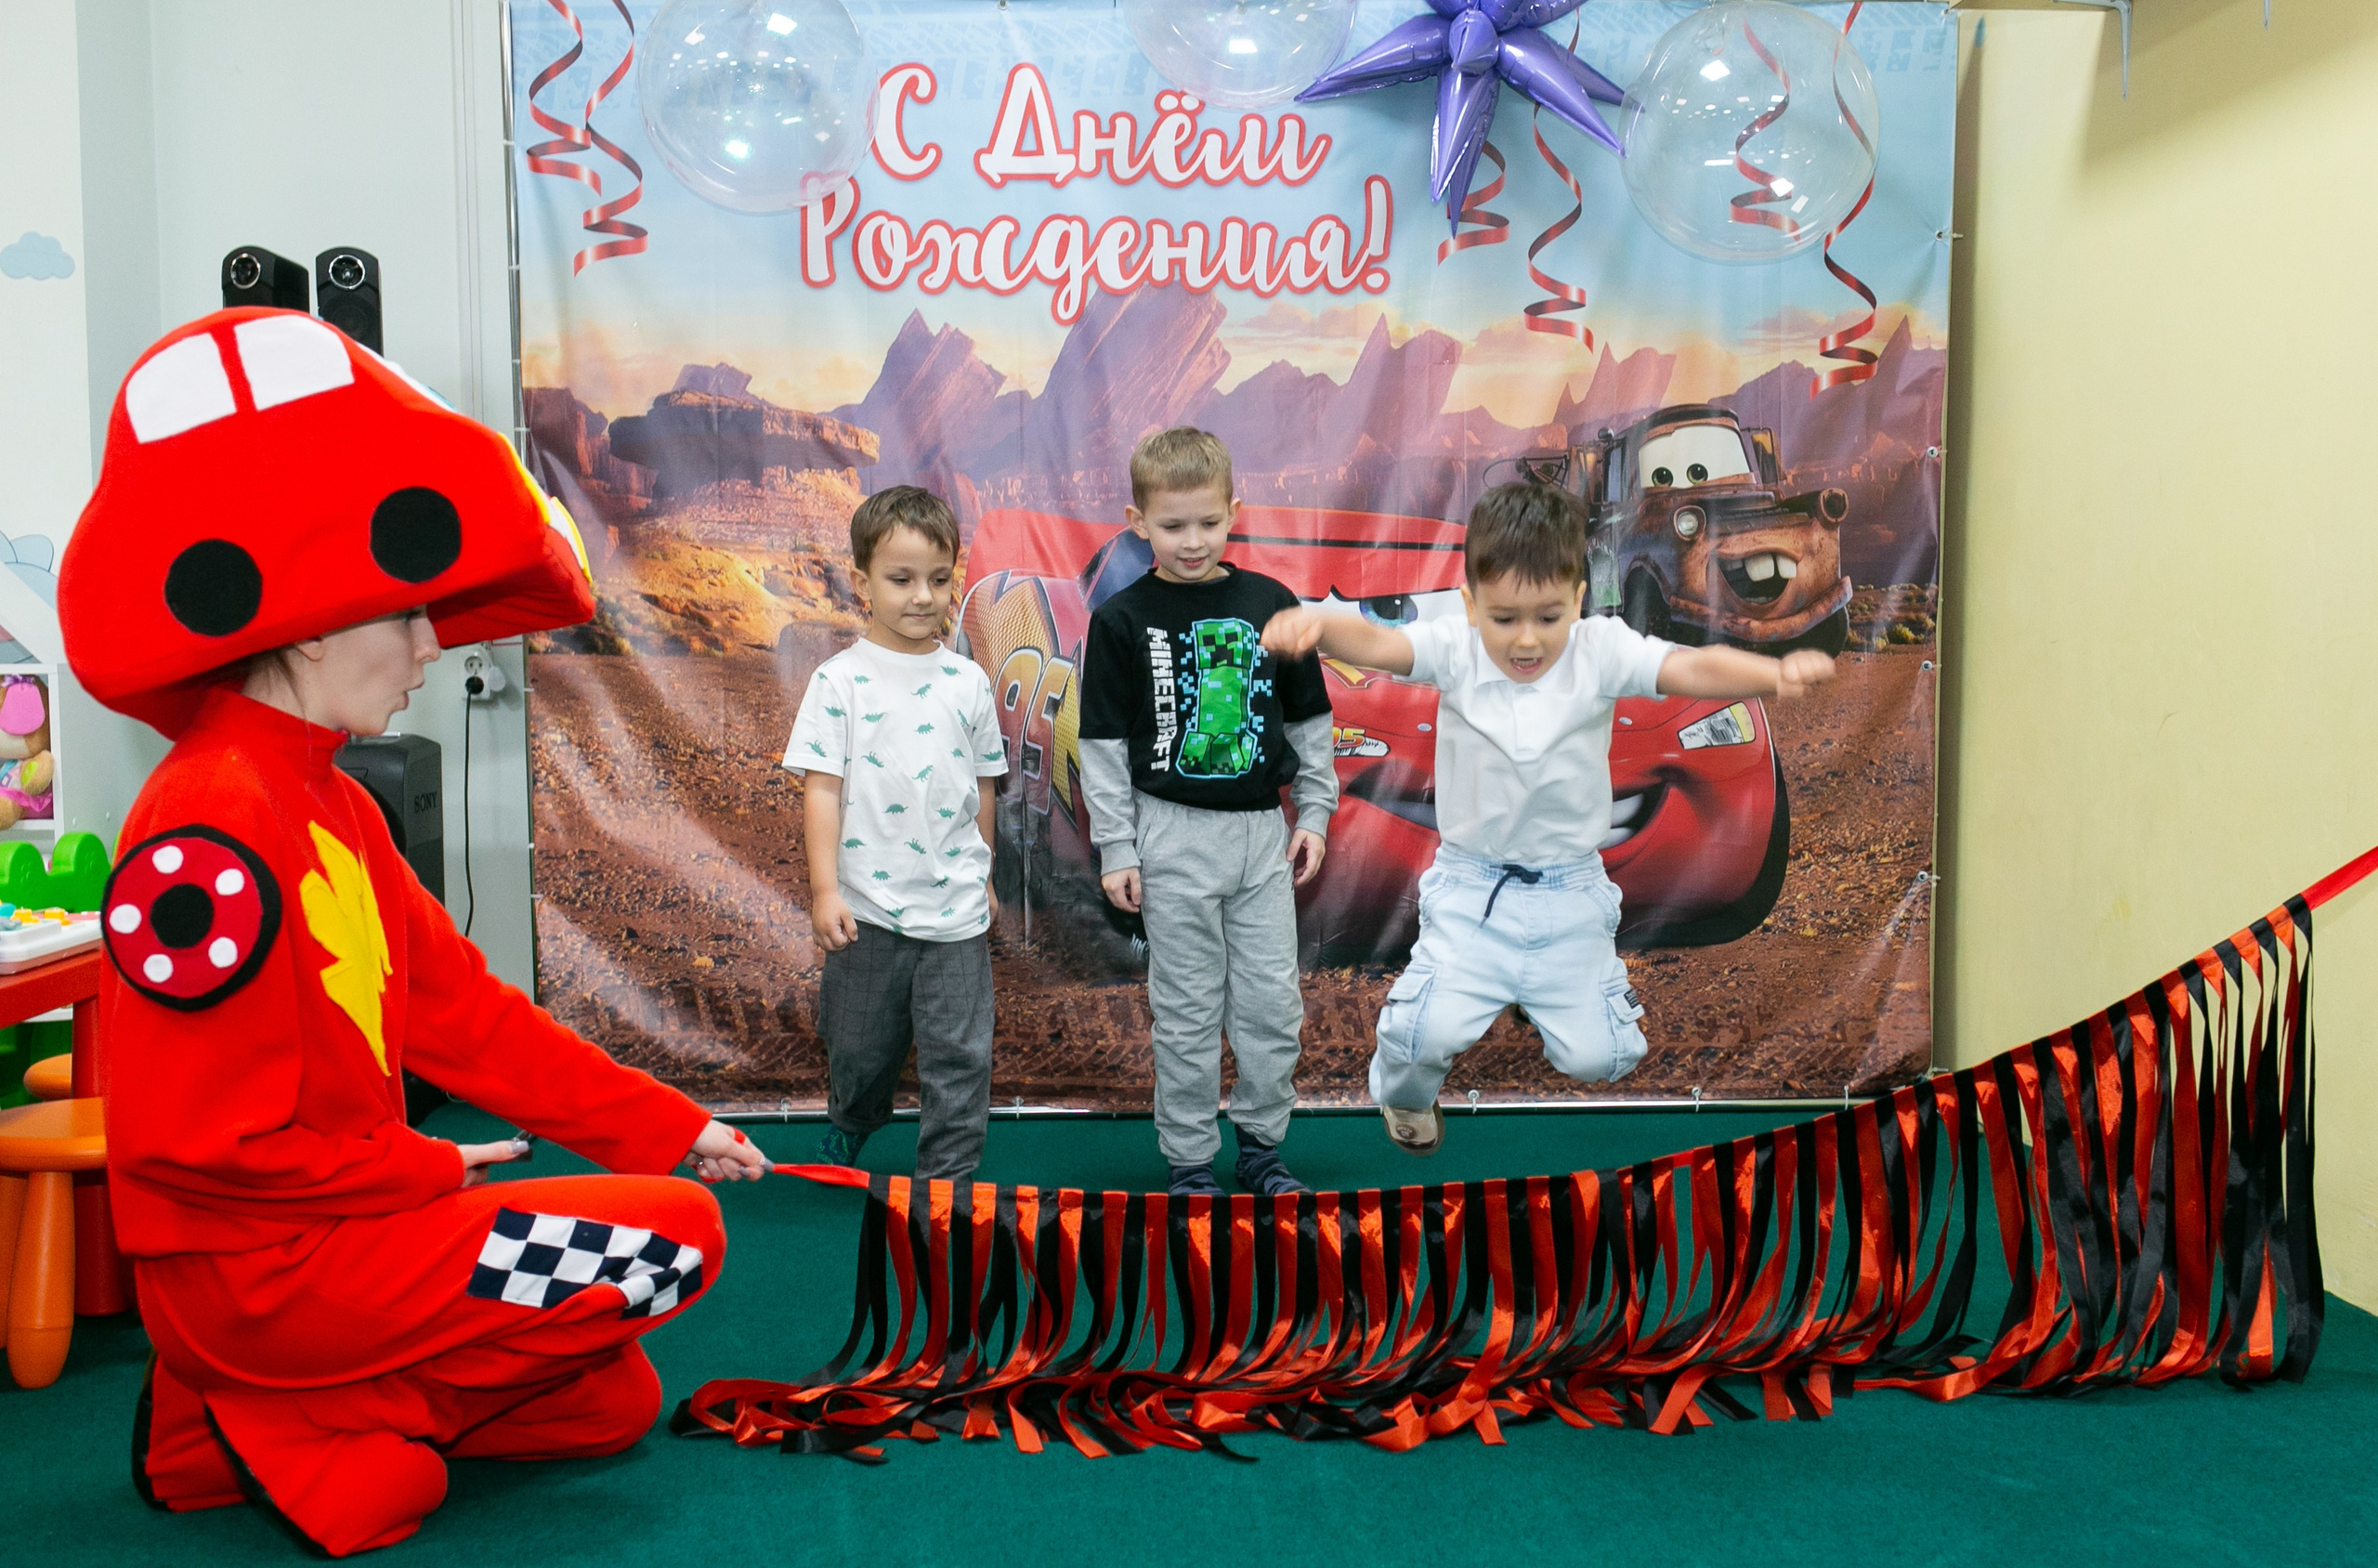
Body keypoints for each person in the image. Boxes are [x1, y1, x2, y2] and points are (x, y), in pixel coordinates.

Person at [58, 308, 769, 1559]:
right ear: (316, 621)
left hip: (347, 1242)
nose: (432, 646)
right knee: (672, 1245)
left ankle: (233, 1428)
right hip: (260, 1279)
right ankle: (274, 1411)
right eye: (406, 618)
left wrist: (674, 1126)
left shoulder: (332, 797)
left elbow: (470, 1018)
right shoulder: (204, 831)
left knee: (611, 1404)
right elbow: (186, 1153)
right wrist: (430, 1173)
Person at [1261, 481, 1836, 1155]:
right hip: (1473, 892)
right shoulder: (1457, 649)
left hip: (1570, 894)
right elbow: (1379, 644)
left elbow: (1690, 666)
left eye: (1547, 616)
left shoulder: (1601, 650)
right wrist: (1320, 626)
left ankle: (1546, 991)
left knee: (1602, 1057)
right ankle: (1402, 1087)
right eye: (1505, 619)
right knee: (1426, 1038)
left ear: (1578, 601)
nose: (1527, 641)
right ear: (1472, 606)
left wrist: (1770, 674)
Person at [1078, 428, 1339, 1197]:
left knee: (1271, 1006)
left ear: (1235, 513)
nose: (1192, 542)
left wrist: (1314, 814)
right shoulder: (1121, 619)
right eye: (1171, 526)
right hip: (1169, 835)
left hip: (1261, 834)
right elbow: (1100, 746)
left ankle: (1262, 1151)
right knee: (1186, 1012)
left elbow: (1309, 723)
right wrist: (1117, 849)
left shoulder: (1270, 604)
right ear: (1137, 522)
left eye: (1208, 523)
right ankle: (1191, 1164)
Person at [783, 486, 1007, 1183]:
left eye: (938, 580)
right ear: (862, 583)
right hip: (869, 914)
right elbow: (822, 789)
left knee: (961, 1057)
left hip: (957, 917)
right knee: (859, 1049)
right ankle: (853, 1116)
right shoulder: (838, 682)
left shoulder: (968, 682)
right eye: (901, 579)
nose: (921, 596)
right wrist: (825, 891)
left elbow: (984, 786)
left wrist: (986, 874)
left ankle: (949, 1185)